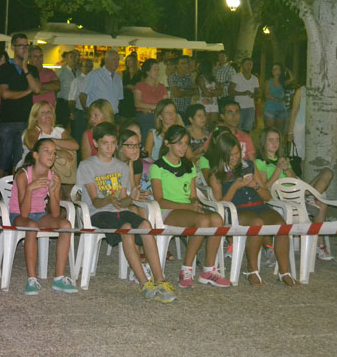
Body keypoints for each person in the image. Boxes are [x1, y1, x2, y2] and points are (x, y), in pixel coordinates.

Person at [76, 123, 175, 302]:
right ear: (96, 144)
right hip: (97, 213)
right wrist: (109, 199)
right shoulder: (86, 165)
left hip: (118, 210)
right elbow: (96, 201)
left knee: (145, 224)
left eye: (113, 143)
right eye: (105, 143)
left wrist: (132, 197)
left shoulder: (120, 166)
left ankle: (160, 280)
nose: (109, 148)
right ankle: (144, 283)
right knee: (127, 227)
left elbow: (123, 201)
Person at [208, 132, 299, 287]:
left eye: (237, 153)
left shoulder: (249, 166)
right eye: (230, 155)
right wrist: (235, 187)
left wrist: (255, 186)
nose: (235, 158)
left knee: (282, 225)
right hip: (238, 211)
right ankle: (252, 270)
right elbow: (220, 205)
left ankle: (284, 272)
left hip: (259, 206)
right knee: (256, 223)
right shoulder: (217, 174)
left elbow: (267, 196)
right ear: (222, 155)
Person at [150, 125, 231, 288]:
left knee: (216, 218)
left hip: (187, 209)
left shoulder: (189, 166)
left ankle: (208, 270)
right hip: (168, 211)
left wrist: (194, 203)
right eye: (179, 143)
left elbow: (193, 195)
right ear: (167, 143)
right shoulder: (157, 167)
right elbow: (160, 200)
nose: (183, 147)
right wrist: (188, 207)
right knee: (202, 221)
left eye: (186, 143)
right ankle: (186, 270)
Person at [255, 127, 334, 261]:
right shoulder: (260, 162)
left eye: (277, 140)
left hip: (297, 192)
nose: (275, 143)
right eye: (271, 140)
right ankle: (319, 244)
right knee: (321, 205)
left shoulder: (283, 159)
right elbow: (265, 186)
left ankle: (318, 245)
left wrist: (287, 169)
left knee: (327, 173)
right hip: (280, 200)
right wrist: (278, 169)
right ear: (264, 143)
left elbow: (296, 181)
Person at [10, 138, 78, 295]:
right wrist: (30, 189)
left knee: (66, 225)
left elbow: (54, 213)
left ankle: (59, 278)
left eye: (54, 153)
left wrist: (54, 191)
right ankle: (32, 279)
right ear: (35, 155)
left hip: (40, 213)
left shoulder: (52, 176)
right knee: (32, 226)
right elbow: (24, 213)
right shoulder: (23, 175)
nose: (51, 156)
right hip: (19, 214)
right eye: (46, 151)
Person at [0, 34, 41, 180]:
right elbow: (5, 94)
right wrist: (27, 91)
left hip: (26, 121)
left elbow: (37, 89)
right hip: (8, 121)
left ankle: (15, 193)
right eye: (21, 46)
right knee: (2, 161)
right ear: (13, 48)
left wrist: (25, 68)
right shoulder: (5, 68)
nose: (24, 49)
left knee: (21, 162)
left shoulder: (32, 69)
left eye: (26, 46)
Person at [20, 101, 79, 168]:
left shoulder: (60, 131)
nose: (47, 114)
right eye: (43, 112)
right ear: (35, 117)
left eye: (49, 112)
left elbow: (75, 145)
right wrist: (57, 152)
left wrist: (51, 140)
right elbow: (33, 146)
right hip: (31, 170)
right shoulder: (31, 132)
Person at [80, 49, 123, 115]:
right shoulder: (94, 75)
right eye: (113, 59)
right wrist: (88, 112)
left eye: (118, 60)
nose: (116, 62)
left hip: (113, 116)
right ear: (106, 60)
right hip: (97, 115)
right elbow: (83, 95)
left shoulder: (118, 78)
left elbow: (119, 99)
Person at [68, 58, 93, 154]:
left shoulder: (93, 80)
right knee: (80, 139)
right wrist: (72, 113)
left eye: (90, 66)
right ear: (80, 67)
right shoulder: (77, 81)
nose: (88, 68)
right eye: (85, 66)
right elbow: (71, 100)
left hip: (93, 113)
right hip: (81, 113)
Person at [230, 57, 259, 132]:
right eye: (246, 64)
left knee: (247, 129)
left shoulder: (255, 79)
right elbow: (230, 91)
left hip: (250, 107)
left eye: (250, 64)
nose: (249, 66)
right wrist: (243, 93)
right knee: (237, 129)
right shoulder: (236, 77)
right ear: (242, 66)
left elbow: (257, 93)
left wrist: (254, 95)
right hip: (239, 107)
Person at [56, 50, 79, 127]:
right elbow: (56, 87)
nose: (74, 59)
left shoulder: (79, 72)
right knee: (62, 126)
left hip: (76, 103)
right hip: (63, 103)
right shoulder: (61, 72)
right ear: (66, 59)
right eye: (71, 57)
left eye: (75, 57)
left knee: (74, 126)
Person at [264, 63, 288, 131]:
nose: (276, 71)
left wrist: (288, 70)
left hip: (281, 109)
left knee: (280, 132)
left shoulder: (282, 82)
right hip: (270, 110)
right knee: (269, 132)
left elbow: (292, 78)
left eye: (278, 69)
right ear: (272, 71)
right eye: (274, 69)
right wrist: (280, 99)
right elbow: (267, 95)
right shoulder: (268, 82)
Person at [119, 52, 141, 121]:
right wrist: (126, 87)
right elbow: (119, 86)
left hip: (134, 100)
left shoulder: (140, 74)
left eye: (130, 60)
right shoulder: (123, 73)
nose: (128, 62)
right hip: (125, 100)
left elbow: (143, 87)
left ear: (135, 62)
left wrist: (133, 87)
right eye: (127, 61)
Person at [287, 84, 306, 161]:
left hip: (314, 126)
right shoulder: (301, 91)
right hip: (300, 125)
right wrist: (290, 132)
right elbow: (294, 111)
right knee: (298, 154)